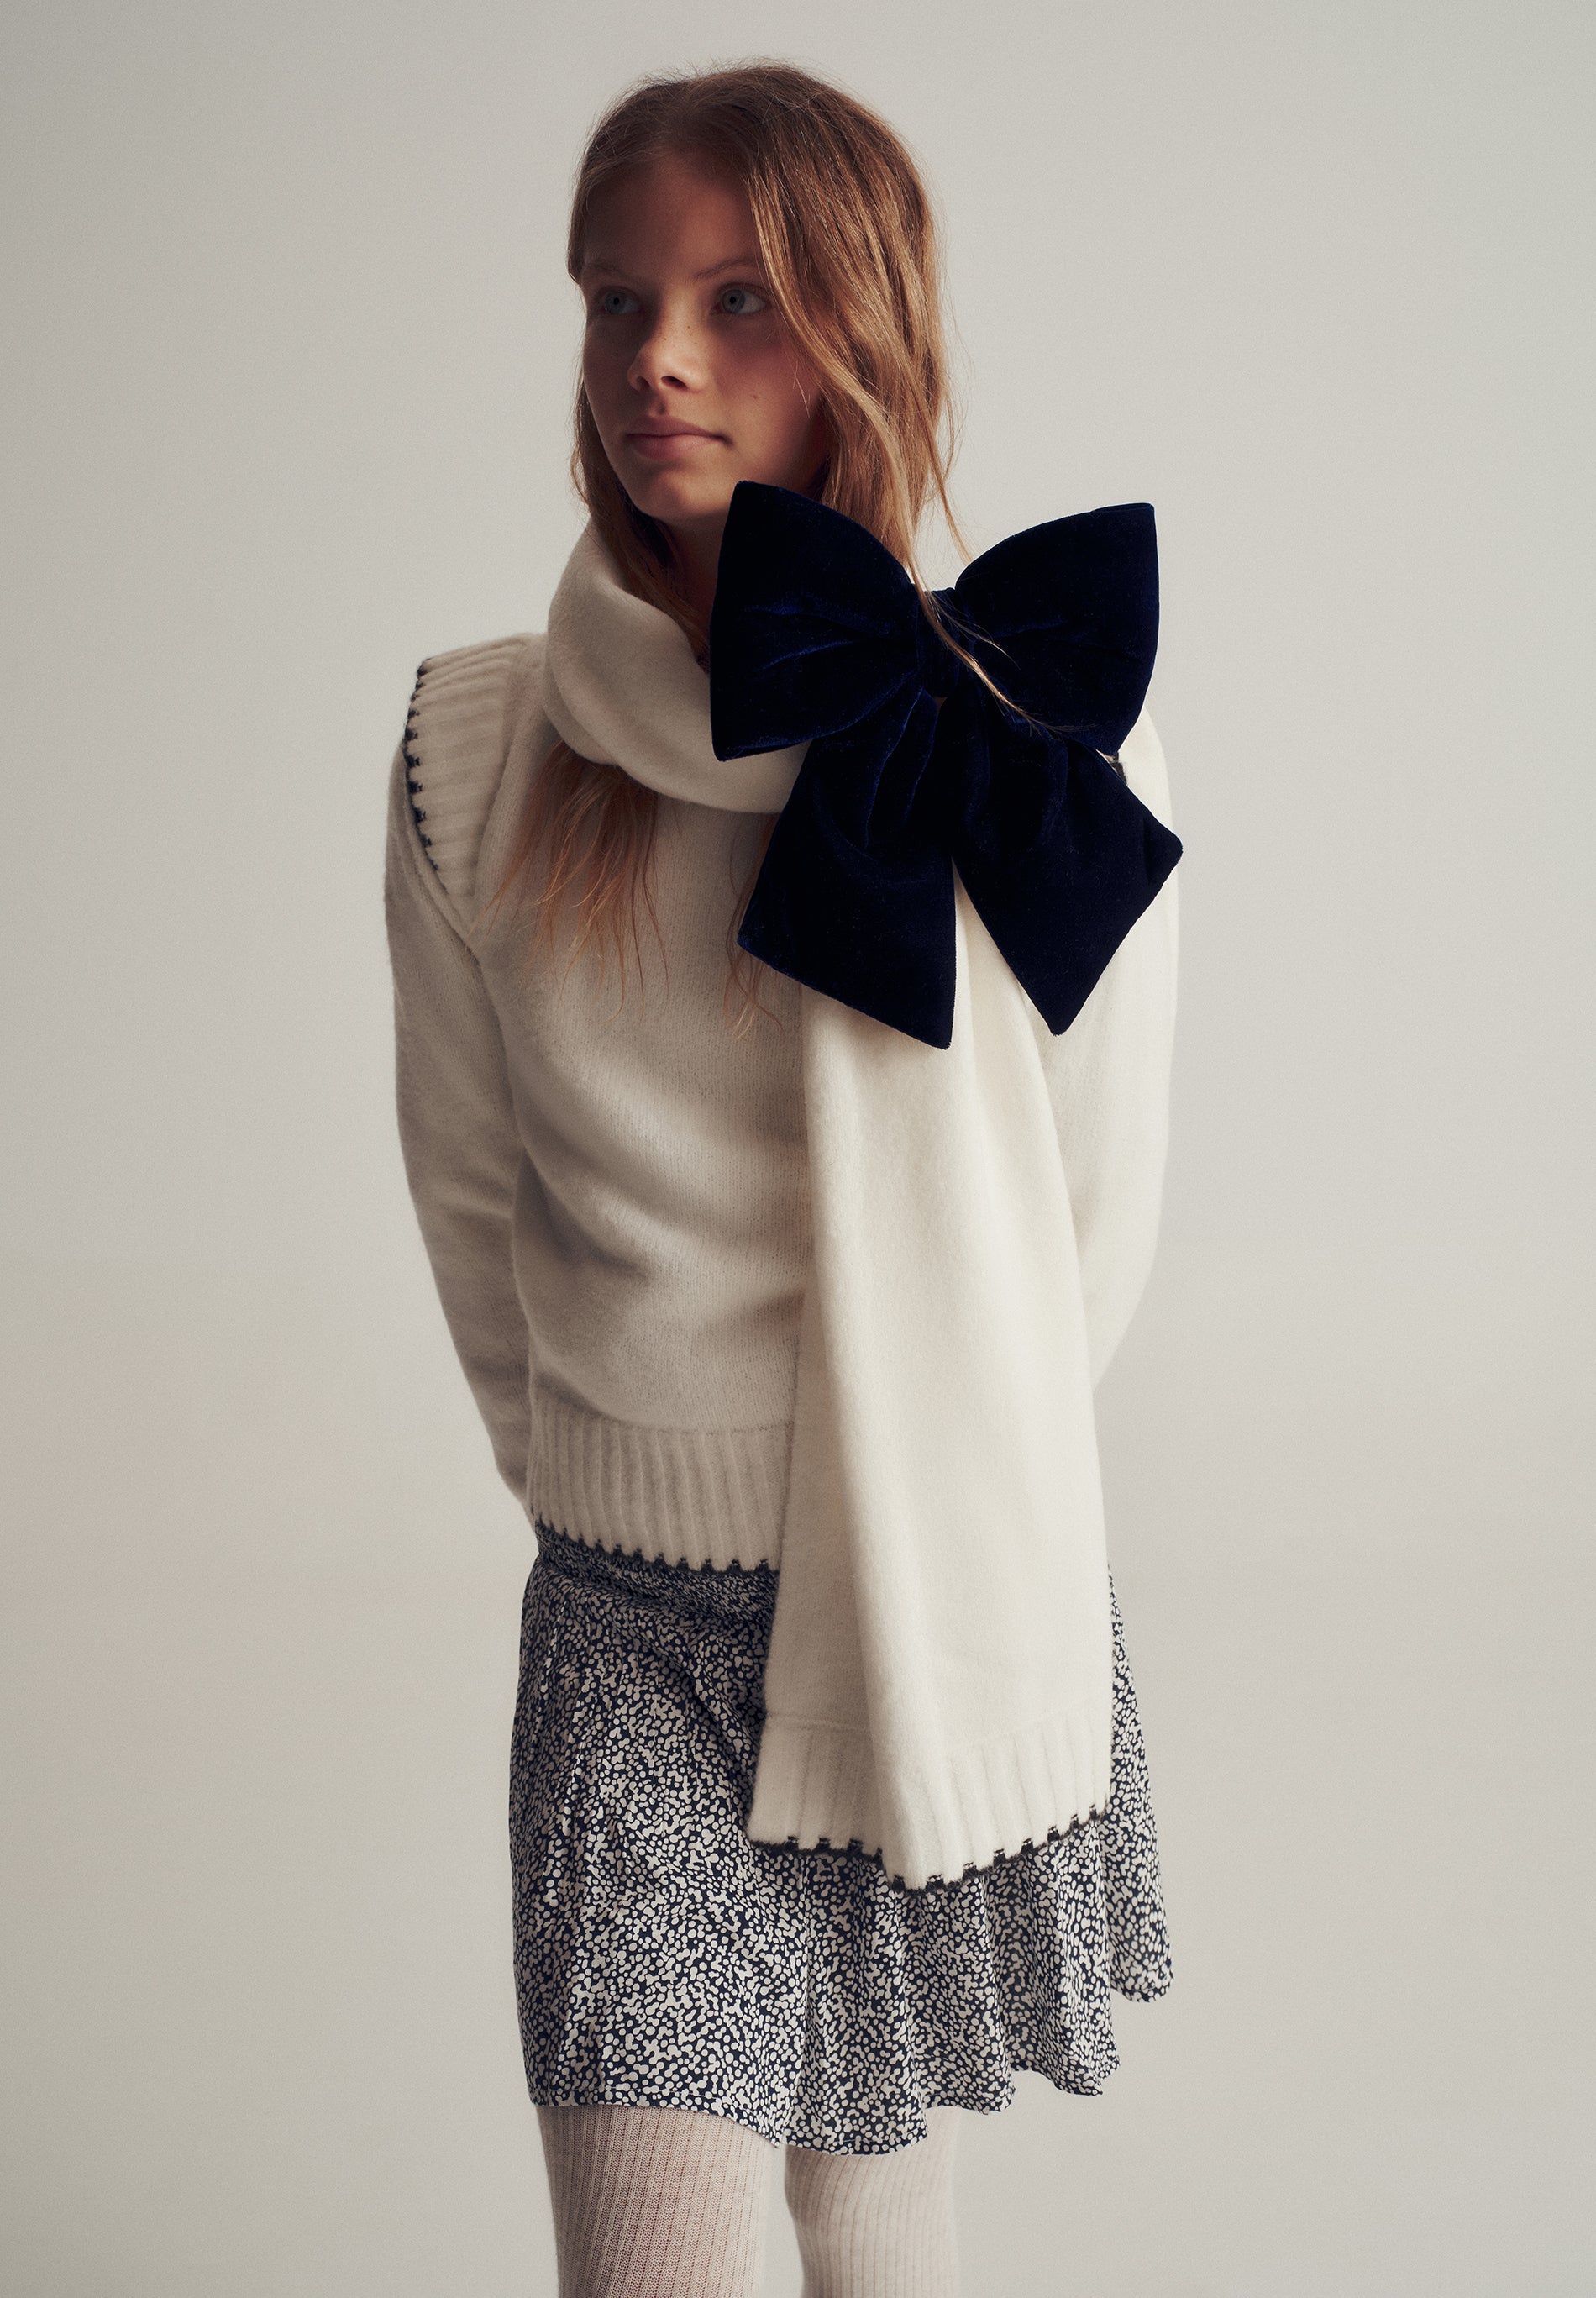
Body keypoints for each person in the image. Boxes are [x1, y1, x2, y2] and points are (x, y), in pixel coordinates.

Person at [384, 60, 1179, 2298]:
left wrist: (921, 1474)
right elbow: (469, 1193)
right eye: (615, 299)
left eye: (736, 300)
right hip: (629, 1630)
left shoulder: (1035, 719)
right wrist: (615, 1464)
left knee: (876, 2209)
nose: (655, 356)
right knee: (659, 2253)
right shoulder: (473, 742)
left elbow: (1091, 1214)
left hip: (930, 1586)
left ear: (863, 328)